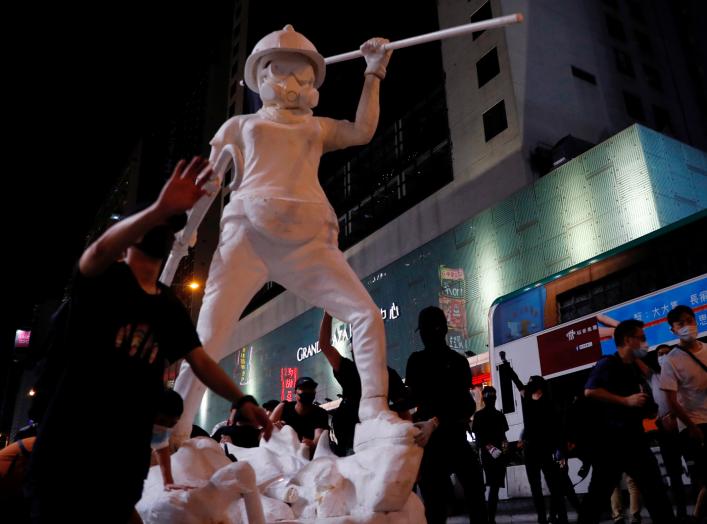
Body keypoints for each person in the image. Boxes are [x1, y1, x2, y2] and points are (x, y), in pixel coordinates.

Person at [171, 26, 398, 443]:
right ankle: (177, 429)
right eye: (286, 73)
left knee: (365, 315)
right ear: (261, 78)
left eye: (305, 76)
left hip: (308, 240)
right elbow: (209, 182)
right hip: (247, 238)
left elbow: (362, 130)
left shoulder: (317, 128)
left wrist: (373, 72)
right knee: (207, 336)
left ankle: (374, 409)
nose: (297, 84)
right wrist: (185, 232)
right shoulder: (240, 125)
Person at [26, 157, 272, 523]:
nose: (161, 229)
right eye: (154, 223)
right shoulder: (103, 282)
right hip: (69, 454)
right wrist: (160, 207)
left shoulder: (169, 306)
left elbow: (200, 361)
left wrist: (243, 399)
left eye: (166, 225)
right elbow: (97, 253)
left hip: (124, 464)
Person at [578, 319, 675, 524]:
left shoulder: (633, 369)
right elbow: (590, 391)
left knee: (656, 491)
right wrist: (626, 401)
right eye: (641, 338)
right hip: (611, 443)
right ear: (627, 340)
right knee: (596, 498)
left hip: (634, 440)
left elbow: (637, 401)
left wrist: (648, 409)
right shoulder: (608, 363)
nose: (645, 343)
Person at [406, 306, 488, 524]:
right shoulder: (458, 362)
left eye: (425, 330)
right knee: (474, 501)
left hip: (435, 444)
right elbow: (465, 405)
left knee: (436, 509)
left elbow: (413, 399)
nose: (424, 335)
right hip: (452, 440)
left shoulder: (416, 362)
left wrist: (433, 420)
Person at [318, 311, 411, 456]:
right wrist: (328, 312)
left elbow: (404, 413)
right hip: (350, 440)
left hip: (377, 442)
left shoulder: (388, 375)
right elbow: (324, 345)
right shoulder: (349, 369)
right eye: (359, 344)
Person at [499, 352, 568, 524]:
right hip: (537, 450)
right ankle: (548, 517)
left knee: (546, 486)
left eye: (531, 383)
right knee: (544, 486)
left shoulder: (536, 401)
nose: (527, 385)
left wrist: (561, 451)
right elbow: (517, 381)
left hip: (539, 450)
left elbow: (558, 429)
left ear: (537, 387)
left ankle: (549, 517)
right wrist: (506, 364)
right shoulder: (537, 401)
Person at [661, 305, 707, 522]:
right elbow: (671, 402)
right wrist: (691, 426)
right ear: (672, 330)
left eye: (690, 320)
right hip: (695, 425)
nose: (687, 326)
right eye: (680, 323)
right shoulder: (671, 360)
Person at [471, 386, 508, 524]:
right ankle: (490, 519)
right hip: (495, 455)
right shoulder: (499, 415)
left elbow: (479, 438)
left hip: (489, 455)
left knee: (493, 487)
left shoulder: (479, 416)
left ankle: (489, 519)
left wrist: (492, 449)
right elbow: (504, 437)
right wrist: (502, 451)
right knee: (494, 488)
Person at [271, 377, 329, 456]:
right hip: (282, 455)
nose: (307, 391)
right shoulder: (284, 407)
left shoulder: (320, 413)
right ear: (295, 392)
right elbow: (267, 430)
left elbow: (318, 439)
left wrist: (311, 445)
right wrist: (275, 430)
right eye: (303, 388)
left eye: (310, 389)